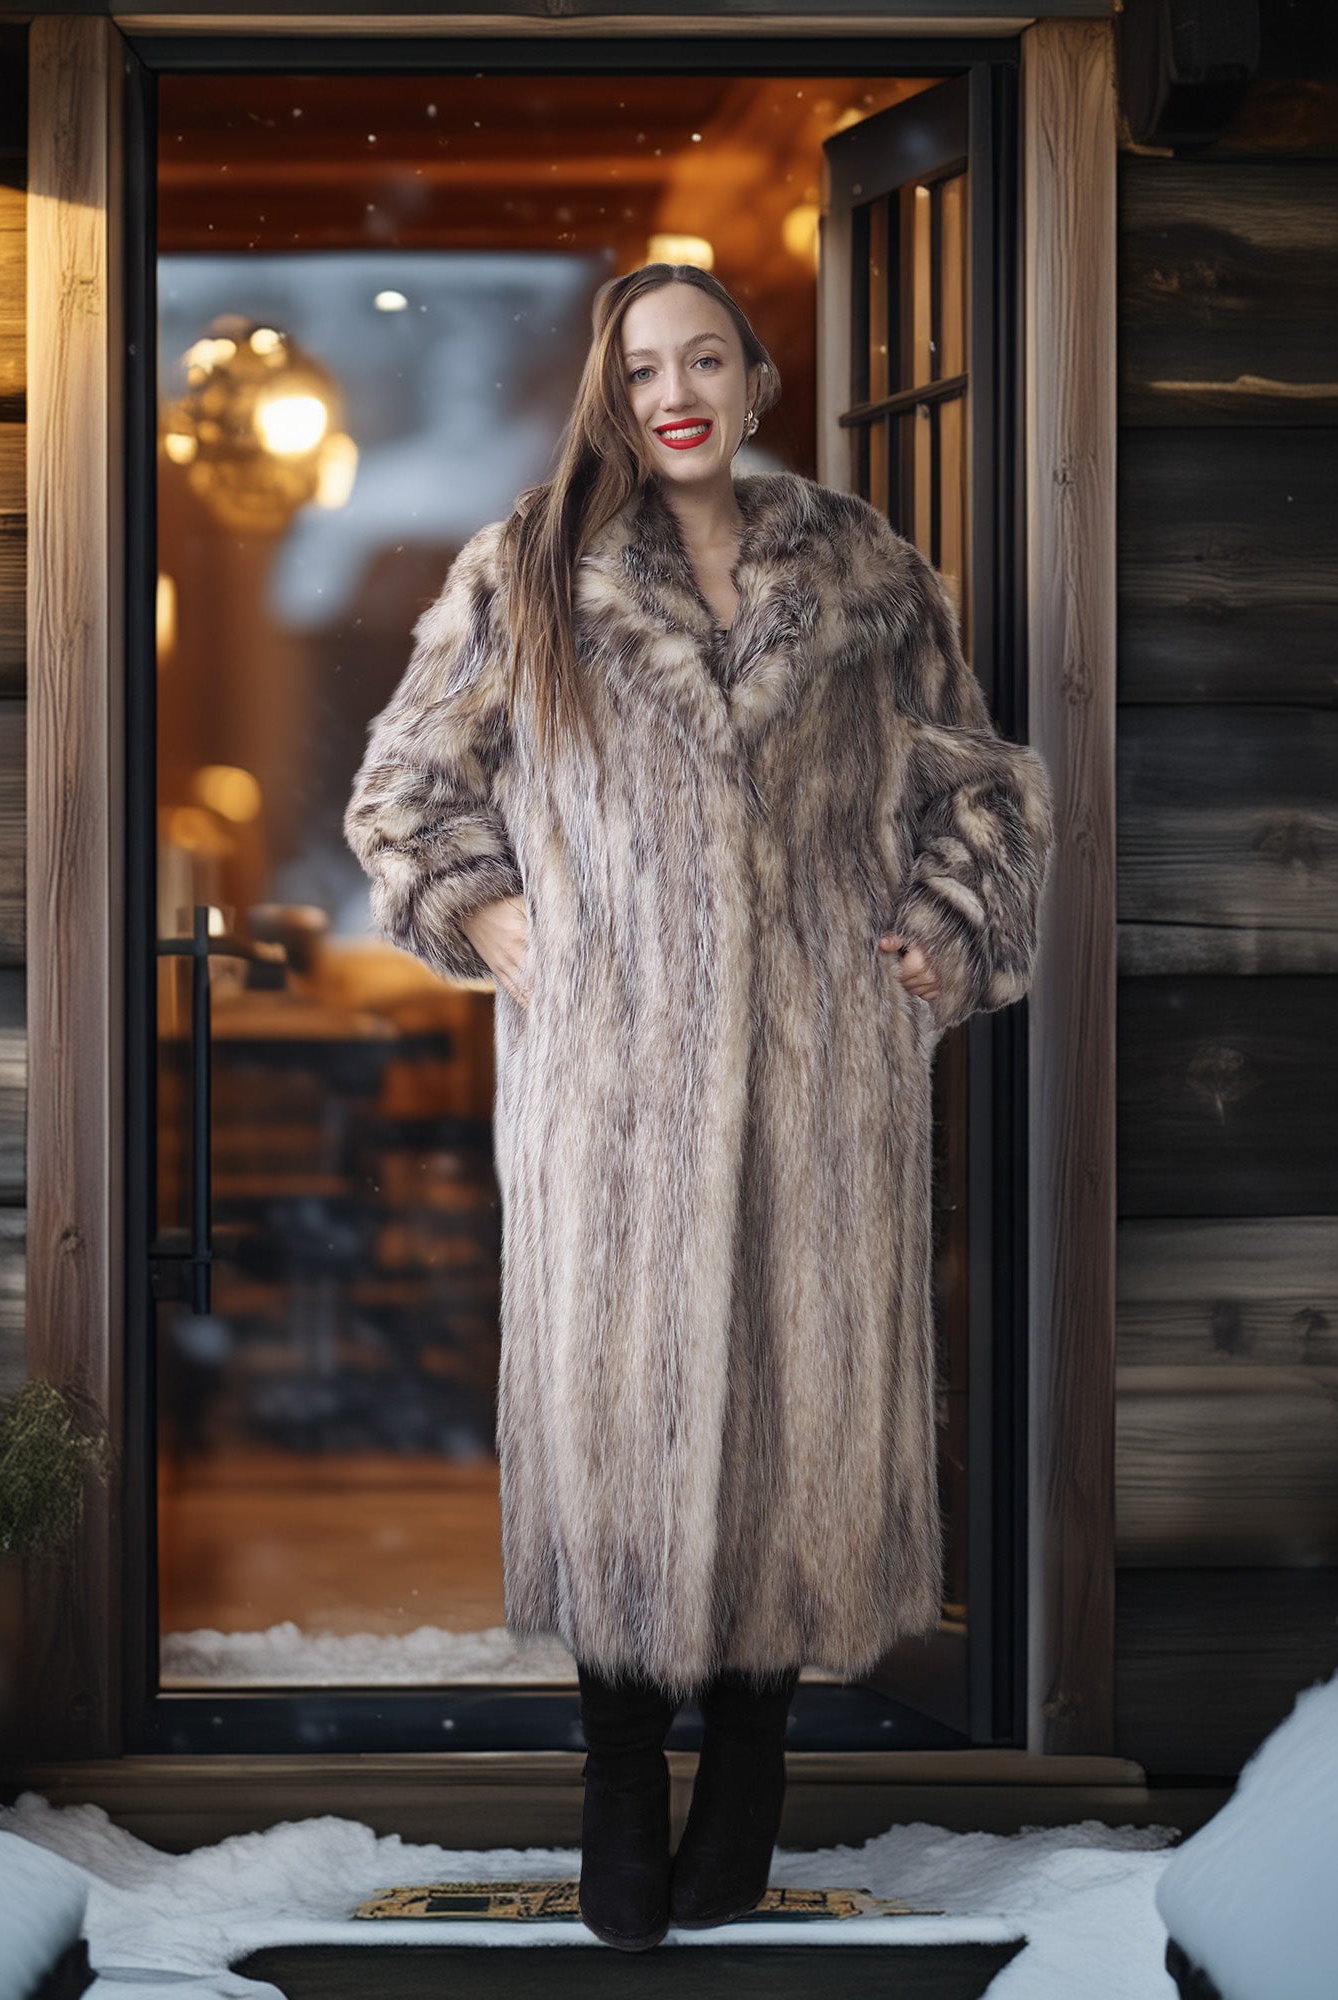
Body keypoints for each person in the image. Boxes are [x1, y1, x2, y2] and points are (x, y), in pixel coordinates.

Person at [343, 263, 1056, 1951]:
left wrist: (943, 929)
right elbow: (405, 787)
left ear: (754, 379)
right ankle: (612, 1772)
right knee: (625, 1423)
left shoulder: (872, 576)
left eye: (706, 358)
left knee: (790, 1422)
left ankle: (750, 1767)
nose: (677, 390)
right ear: (614, 390)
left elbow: (981, 788)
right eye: (645, 365)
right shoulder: (530, 567)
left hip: (823, 1080)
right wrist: (490, 910)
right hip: (616, 1089)